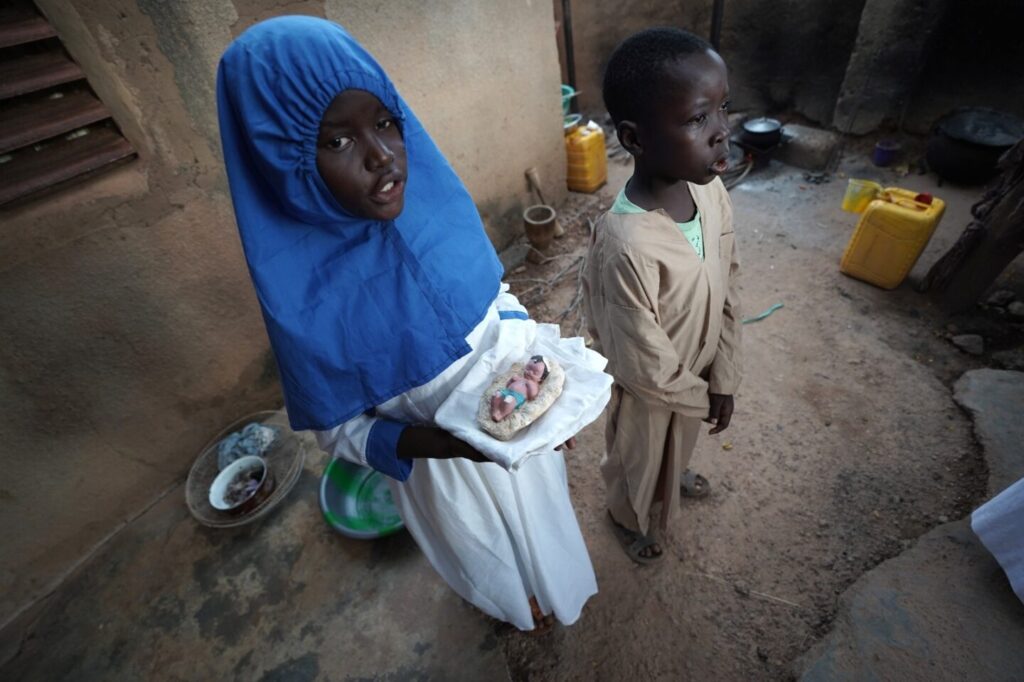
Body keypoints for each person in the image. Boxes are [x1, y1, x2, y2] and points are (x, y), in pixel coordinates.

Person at [216, 16, 596, 629]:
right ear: (280, 161)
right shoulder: (306, 304)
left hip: (517, 434)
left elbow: (497, 301)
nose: (381, 155)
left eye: (387, 122)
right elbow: (340, 432)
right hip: (442, 478)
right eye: (338, 141)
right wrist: (439, 444)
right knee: (487, 556)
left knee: (545, 525)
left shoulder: (438, 218)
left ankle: (551, 592)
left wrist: (544, 395)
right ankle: (516, 608)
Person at [582, 27, 743, 564]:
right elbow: (641, 362)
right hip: (649, 394)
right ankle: (626, 518)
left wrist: (723, 377)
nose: (721, 131)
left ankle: (672, 476)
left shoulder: (712, 195)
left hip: (698, 376)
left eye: (723, 108)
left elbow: (729, 282)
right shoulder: (625, 243)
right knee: (638, 462)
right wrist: (702, 395)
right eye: (698, 119)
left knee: (680, 442)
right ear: (635, 139)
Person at [489, 355, 549, 422]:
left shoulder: (534, 385)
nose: (530, 372)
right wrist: (511, 380)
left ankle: (501, 414)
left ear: (541, 379)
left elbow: (532, 396)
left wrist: (530, 386)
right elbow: (507, 386)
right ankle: (494, 410)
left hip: (517, 397)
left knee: (509, 400)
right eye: (528, 368)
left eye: (535, 372)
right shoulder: (520, 378)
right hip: (507, 391)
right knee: (496, 394)